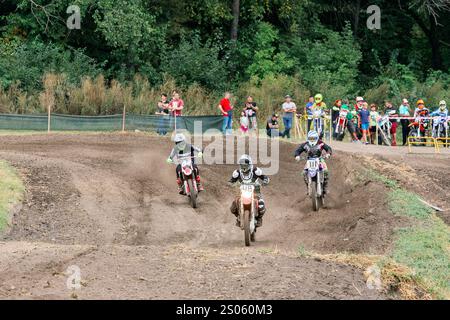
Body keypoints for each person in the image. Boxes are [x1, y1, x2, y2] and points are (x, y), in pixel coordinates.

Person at [229, 155, 270, 227]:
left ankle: (259, 219)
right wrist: (230, 184)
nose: (244, 167)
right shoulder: (237, 173)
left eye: (245, 165)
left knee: (261, 204)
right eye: (242, 165)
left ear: (249, 164)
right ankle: (238, 218)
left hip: (256, 192)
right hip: (241, 192)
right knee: (233, 207)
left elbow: (264, 177)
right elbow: (231, 180)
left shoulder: (256, 171)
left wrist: (265, 181)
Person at [294, 131, 333, 195]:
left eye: (313, 138)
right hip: (309, 160)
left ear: (317, 138)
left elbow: (328, 148)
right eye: (310, 138)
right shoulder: (305, 144)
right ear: (308, 138)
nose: (312, 140)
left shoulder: (320, 143)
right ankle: (308, 187)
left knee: (326, 171)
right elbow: (298, 150)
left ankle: (325, 188)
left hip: (320, 159)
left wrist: (328, 154)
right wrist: (297, 155)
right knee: (304, 173)